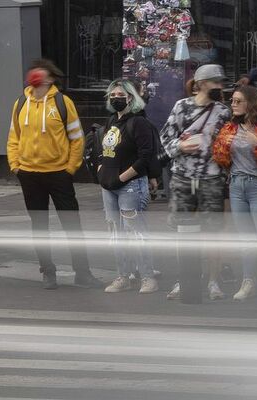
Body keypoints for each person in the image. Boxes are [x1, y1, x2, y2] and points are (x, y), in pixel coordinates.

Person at [6, 59, 102, 290]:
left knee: (72, 224)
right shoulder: (20, 103)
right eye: (33, 72)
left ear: (50, 78)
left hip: (59, 173)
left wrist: (70, 168)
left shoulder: (62, 102)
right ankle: (48, 272)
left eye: (41, 72)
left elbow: (76, 138)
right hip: (29, 174)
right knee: (39, 227)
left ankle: (83, 273)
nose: (35, 75)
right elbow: (13, 137)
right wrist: (15, 165)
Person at [160, 64, 231, 302]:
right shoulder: (182, 107)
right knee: (184, 233)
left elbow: (227, 144)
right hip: (182, 176)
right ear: (200, 84)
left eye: (221, 82)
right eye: (215, 82)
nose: (219, 87)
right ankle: (185, 280)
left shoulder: (223, 111)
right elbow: (165, 136)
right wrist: (179, 146)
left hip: (211, 177)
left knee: (213, 234)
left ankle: (213, 281)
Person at [212, 86, 257, 301]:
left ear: (250, 104)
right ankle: (248, 281)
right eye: (232, 100)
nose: (233, 104)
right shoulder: (229, 128)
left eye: (238, 101)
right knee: (246, 238)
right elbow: (220, 159)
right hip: (236, 185)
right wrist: (222, 148)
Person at [99, 79, 158, 294]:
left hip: (130, 186)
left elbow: (145, 157)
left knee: (135, 233)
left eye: (120, 95)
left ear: (130, 98)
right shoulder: (111, 121)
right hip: (109, 186)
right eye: (112, 95)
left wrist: (122, 178)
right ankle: (123, 276)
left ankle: (147, 277)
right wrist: (101, 171)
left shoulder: (138, 123)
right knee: (116, 235)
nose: (115, 98)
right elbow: (103, 149)